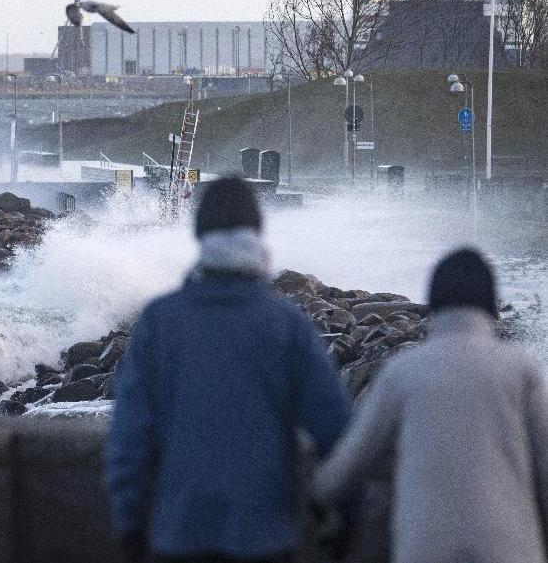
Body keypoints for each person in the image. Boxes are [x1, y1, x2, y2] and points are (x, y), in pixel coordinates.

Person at [107, 176, 352, 563]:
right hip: (264, 535)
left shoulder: (161, 321)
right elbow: (336, 432)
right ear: (257, 232)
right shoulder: (286, 325)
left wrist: (131, 524)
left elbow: (129, 436)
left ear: (199, 233)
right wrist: (344, 519)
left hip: (179, 533)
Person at [314, 247, 548, 563]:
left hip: (426, 551)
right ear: (491, 304)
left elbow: (345, 472)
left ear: (433, 303)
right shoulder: (521, 369)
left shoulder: (405, 370)